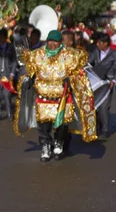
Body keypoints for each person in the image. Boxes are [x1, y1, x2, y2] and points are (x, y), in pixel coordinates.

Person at [15, 30, 97, 161]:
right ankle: (46, 145)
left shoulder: (70, 55)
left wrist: (70, 79)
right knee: (44, 125)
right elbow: (31, 71)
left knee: (63, 124)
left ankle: (59, 142)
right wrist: (29, 79)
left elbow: (79, 73)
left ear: (60, 42)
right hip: (43, 97)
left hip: (63, 97)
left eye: (55, 41)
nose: (52, 44)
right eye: (50, 41)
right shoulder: (38, 54)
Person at [88, 33, 116, 137]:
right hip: (95, 82)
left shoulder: (114, 54)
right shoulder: (96, 52)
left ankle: (104, 130)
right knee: (95, 105)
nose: (97, 44)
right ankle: (96, 126)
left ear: (105, 43)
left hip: (108, 83)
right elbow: (88, 62)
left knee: (104, 106)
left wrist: (113, 81)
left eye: (99, 42)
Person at [0, 28, 17, 120]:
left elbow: (14, 61)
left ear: (6, 37)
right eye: (0, 36)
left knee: (6, 95)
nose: (1, 38)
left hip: (6, 74)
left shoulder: (11, 47)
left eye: (3, 37)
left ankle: (9, 113)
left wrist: (12, 73)